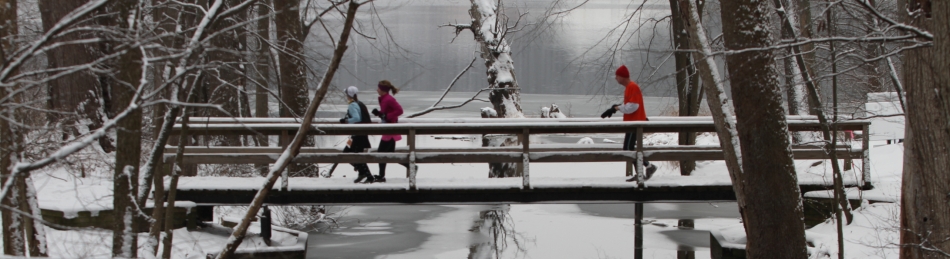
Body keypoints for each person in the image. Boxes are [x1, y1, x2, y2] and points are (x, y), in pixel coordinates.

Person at [600, 65, 658, 182]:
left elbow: (633, 107)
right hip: (632, 123)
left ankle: (648, 167)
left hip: (635, 124)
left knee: (628, 148)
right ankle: (642, 171)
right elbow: (630, 105)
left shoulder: (633, 87)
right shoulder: (629, 88)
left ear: (622, 76)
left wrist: (617, 108)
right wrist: (616, 107)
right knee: (629, 149)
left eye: (617, 76)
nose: (616, 79)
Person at [371, 80, 413, 182]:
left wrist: (387, 116)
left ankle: (382, 176)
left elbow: (400, 111)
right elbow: (385, 113)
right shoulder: (384, 99)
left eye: (379, 88)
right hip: (387, 129)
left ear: (383, 90)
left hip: (390, 130)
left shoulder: (389, 99)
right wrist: (379, 113)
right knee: (390, 153)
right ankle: (411, 167)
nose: (377, 89)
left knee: (381, 153)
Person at [340, 86, 374, 184]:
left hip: (357, 135)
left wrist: (345, 121)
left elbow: (357, 118)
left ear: (348, 95)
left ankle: (368, 176)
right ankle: (362, 172)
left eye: (346, 94)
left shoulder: (352, 105)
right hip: (359, 134)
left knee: (349, 154)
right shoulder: (360, 104)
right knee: (352, 153)